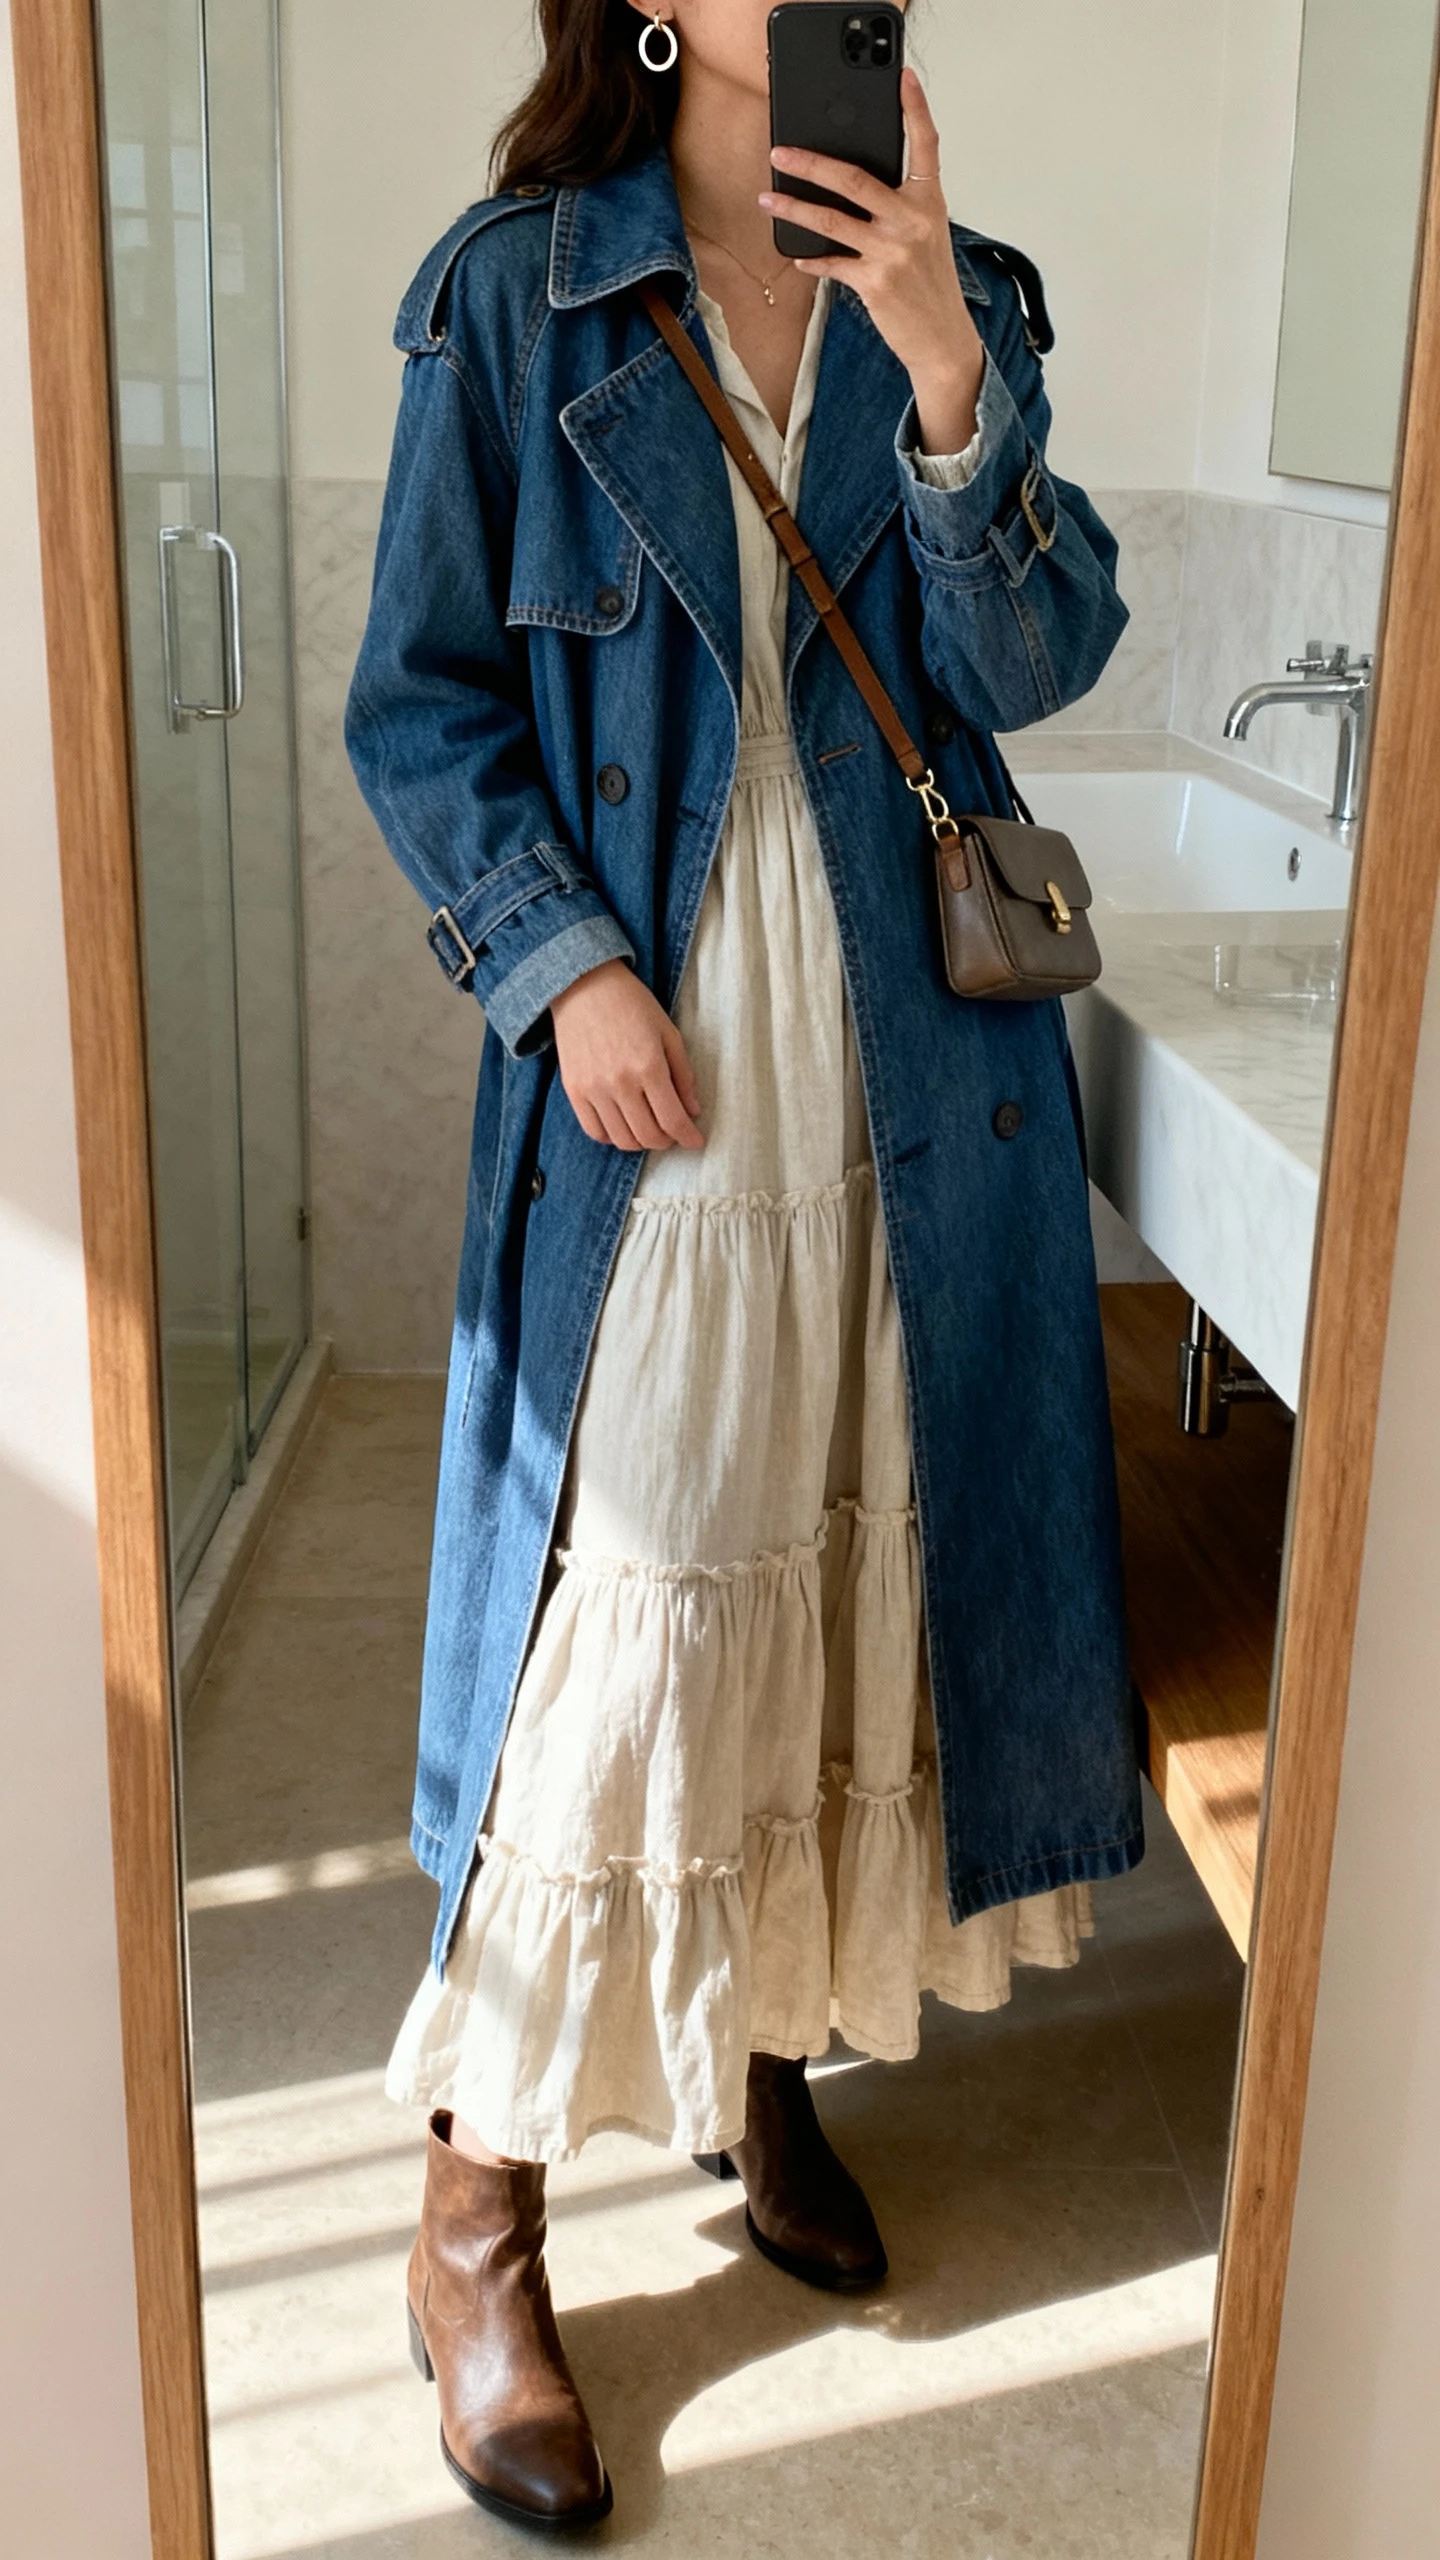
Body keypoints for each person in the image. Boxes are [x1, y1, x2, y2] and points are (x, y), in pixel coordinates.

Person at [347, 0, 1142, 2530]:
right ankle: (475, 2215)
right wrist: (558, 963)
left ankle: (759, 2051)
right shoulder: (517, 293)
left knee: (843, 1568)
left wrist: (942, 363)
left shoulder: (957, 287)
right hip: (662, 1055)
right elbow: (420, 704)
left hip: (916, 1070)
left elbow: (1028, 667)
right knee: (636, 1617)